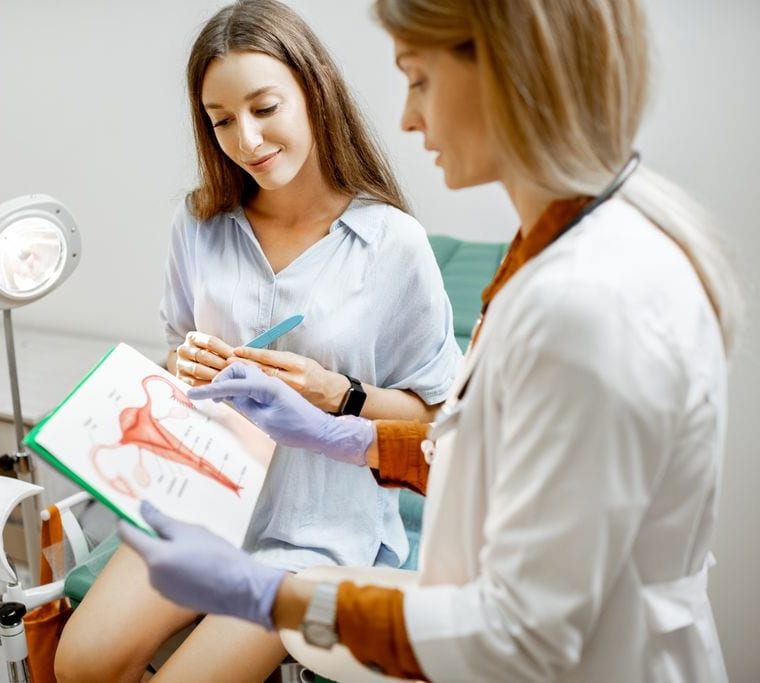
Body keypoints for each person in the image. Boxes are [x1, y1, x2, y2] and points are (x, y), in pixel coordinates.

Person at [119, 0, 742, 681]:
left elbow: (520, 637)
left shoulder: (588, 305)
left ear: (509, 72)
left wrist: (268, 595)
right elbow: (484, 452)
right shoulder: (550, 253)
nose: (409, 117)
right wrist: (338, 432)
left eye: (418, 79)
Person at [54, 1, 461, 681]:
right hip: (201, 500)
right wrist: (184, 362)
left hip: (316, 530)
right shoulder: (199, 223)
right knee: (80, 663)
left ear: (314, 90)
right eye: (221, 121)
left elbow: (437, 419)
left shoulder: (393, 244)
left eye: (265, 106)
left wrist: (341, 393)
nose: (246, 139)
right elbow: (174, 352)